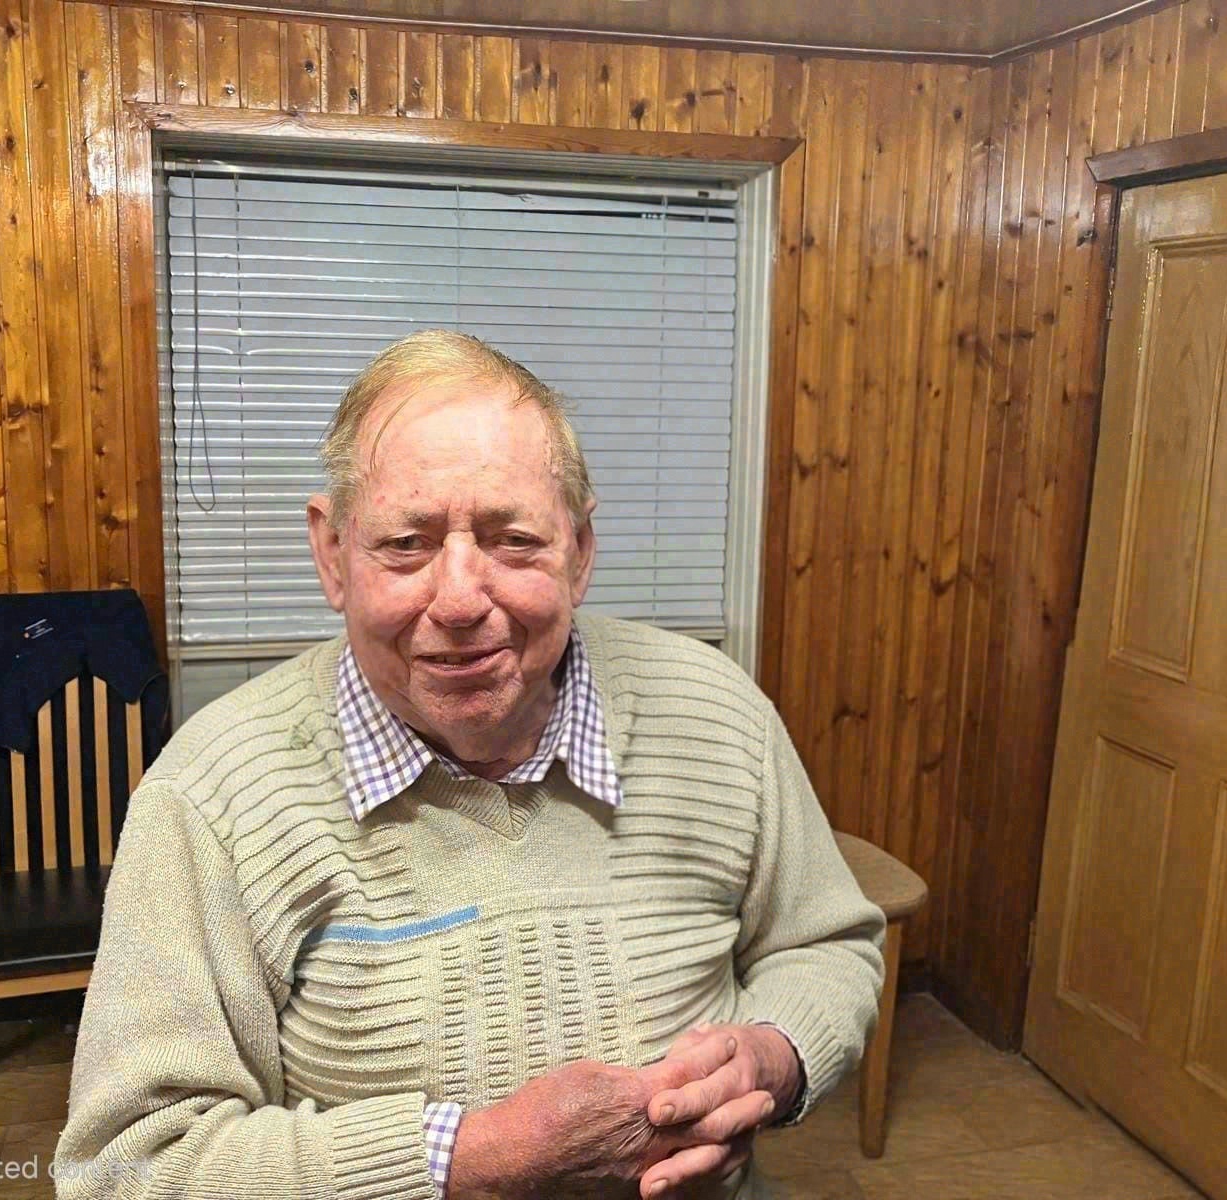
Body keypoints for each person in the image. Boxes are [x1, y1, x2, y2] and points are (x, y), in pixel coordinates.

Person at [55, 330, 885, 1200]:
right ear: (332, 555)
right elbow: (127, 1166)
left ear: (580, 551)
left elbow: (826, 944)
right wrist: (473, 1158)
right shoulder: (214, 796)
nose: (459, 601)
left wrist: (776, 1056)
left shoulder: (715, 712)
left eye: (513, 539)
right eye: (406, 543)